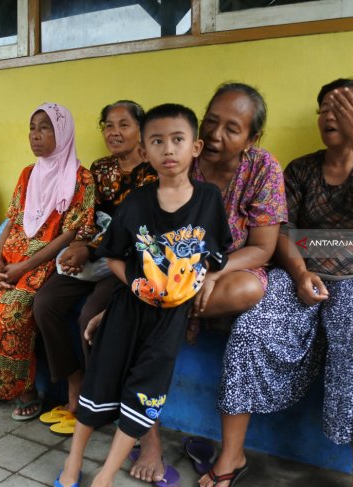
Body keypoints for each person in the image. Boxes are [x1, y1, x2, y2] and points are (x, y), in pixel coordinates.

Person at [208, 79, 353, 487]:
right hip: (301, 273)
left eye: (344, 108)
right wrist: (299, 274)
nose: (330, 116)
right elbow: (283, 231)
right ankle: (232, 456)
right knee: (252, 326)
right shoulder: (299, 169)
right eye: (325, 108)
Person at [56, 104, 232, 487]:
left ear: (196, 147)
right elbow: (114, 256)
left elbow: (216, 257)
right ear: (147, 151)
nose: (168, 149)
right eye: (157, 141)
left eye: (177, 140)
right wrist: (136, 283)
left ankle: (105, 475)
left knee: (145, 392)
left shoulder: (209, 201)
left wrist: (206, 283)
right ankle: (73, 463)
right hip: (128, 308)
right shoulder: (135, 203)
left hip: (170, 320)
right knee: (100, 380)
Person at [129, 83, 288, 483]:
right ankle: (147, 440)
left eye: (232, 129)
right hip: (169, 272)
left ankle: (159, 312)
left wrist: (212, 272)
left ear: (253, 138)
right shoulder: (184, 157)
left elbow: (263, 248)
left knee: (251, 289)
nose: (215, 134)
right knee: (144, 321)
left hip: (230, 269)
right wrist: (178, 277)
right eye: (211, 122)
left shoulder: (263, 168)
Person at [0, 102, 95, 421]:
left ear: (62, 132)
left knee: (9, 314)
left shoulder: (81, 178)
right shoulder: (29, 173)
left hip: (44, 261)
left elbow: (71, 233)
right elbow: (12, 218)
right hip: (9, 256)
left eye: (45, 128)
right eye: (32, 128)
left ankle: (24, 389)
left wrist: (24, 267)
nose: (35, 135)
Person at [33, 100, 157, 430]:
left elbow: (141, 229)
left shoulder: (154, 171)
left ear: (141, 130)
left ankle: (98, 399)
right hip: (94, 255)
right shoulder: (99, 169)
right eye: (108, 125)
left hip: (129, 263)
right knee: (45, 303)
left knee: (91, 316)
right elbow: (88, 215)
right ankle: (75, 379)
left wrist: (90, 248)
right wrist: (77, 245)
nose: (114, 132)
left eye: (124, 125)